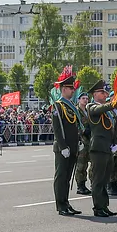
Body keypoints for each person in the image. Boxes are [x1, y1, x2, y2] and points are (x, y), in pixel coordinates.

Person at [51, 67, 82, 216]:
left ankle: (66, 202)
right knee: (61, 176)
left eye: (73, 88)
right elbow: (58, 129)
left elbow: (75, 127)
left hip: (73, 147)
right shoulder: (58, 105)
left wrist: (79, 142)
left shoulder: (72, 107)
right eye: (70, 88)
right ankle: (60, 205)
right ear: (63, 89)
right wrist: (63, 146)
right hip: (63, 148)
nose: (73, 91)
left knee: (68, 177)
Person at [85, 80, 117, 217]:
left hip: (107, 148)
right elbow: (98, 109)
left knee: (105, 179)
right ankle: (98, 207)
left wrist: (114, 142)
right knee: (98, 180)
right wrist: (113, 103)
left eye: (105, 92)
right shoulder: (91, 106)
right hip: (98, 148)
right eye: (102, 92)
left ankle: (104, 205)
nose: (105, 95)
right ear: (94, 94)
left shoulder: (107, 111)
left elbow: (112, 127)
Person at [75, 91, 92, 196]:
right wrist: (82, 131)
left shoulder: (88, 111)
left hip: (89, 141)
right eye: (83, 98)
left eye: (86, 98)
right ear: (79, 100)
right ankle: (80, 185)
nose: (85, 100)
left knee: (88, 163)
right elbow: (75, 125)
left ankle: (87, 183)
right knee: (81, 165)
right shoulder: (76, 111)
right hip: (81, 140)